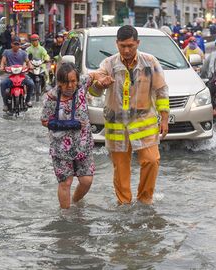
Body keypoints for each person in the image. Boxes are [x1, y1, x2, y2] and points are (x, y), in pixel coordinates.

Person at [89, 25, 169, 205]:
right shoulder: (108, 64)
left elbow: (161, 91)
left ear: (137, 43)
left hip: (144, 123)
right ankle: (124, 204)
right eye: (122, 45)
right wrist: (100, 85)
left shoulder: (150, 62)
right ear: (116, 44)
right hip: (116, 125)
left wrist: (164, 118)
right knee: (121, 169)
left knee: (151, 160)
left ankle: (145, 199)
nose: (126, 50)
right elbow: (93, 91)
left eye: (131, 46)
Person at [41, 62, 99, 209]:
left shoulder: (81, 87)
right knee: (65, 183)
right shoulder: (52, 98)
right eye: (66, 82)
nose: (70, 85)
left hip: (83, 145)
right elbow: (44, 120)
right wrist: (67, 125)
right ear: (59, 82)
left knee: (86, 181)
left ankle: (75, 202)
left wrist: (103, 81)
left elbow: (94, 75)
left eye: (73, 81)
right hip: (61, 148)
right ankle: (66, 217)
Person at [0, 36, 35, 112]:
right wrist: (2, 67)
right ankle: (5, 104)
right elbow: (3, 61)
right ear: (11, 44)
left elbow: (28, 61)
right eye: (15, 44)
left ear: (20, 45)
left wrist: (30, 66)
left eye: (18, 44)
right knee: (2, 84)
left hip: (22, 75)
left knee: (31, 83)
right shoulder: (6, 52)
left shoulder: (24, 53)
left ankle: (28, 100)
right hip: (11, 75)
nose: (16, 46)